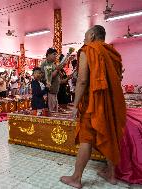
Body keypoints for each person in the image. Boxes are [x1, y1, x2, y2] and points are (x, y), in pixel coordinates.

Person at [60, 25, 126, 188]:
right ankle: (111, 175)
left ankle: (76, 178)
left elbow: (82, 80)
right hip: (110, 101)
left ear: (92, 35)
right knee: (110, 133)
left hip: (93, 102)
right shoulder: (113, 53)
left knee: (86, 138)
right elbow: (119, 77)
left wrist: (75, 105)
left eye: (85, 36)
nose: (84, 40)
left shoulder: (88, 50)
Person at [40, 48, 61, 112]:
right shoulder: (46, 63)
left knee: (54, 112)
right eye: (54, 54)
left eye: (56, 55)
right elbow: (48, 77)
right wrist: (57, 70)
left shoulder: (53, 64)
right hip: (49, 92)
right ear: (48, 55)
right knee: (51, 113)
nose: (55, 56)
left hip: (54, 92)